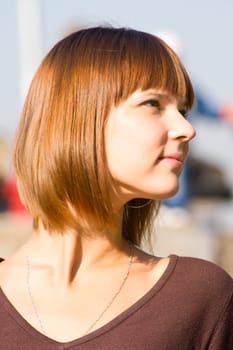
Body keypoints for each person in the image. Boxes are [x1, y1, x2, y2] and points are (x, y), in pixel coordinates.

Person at [0, 26, 232, 349]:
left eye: (182, 110)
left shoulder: (198, 298)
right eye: (153, 104)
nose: (186, 129)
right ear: (78, 115)